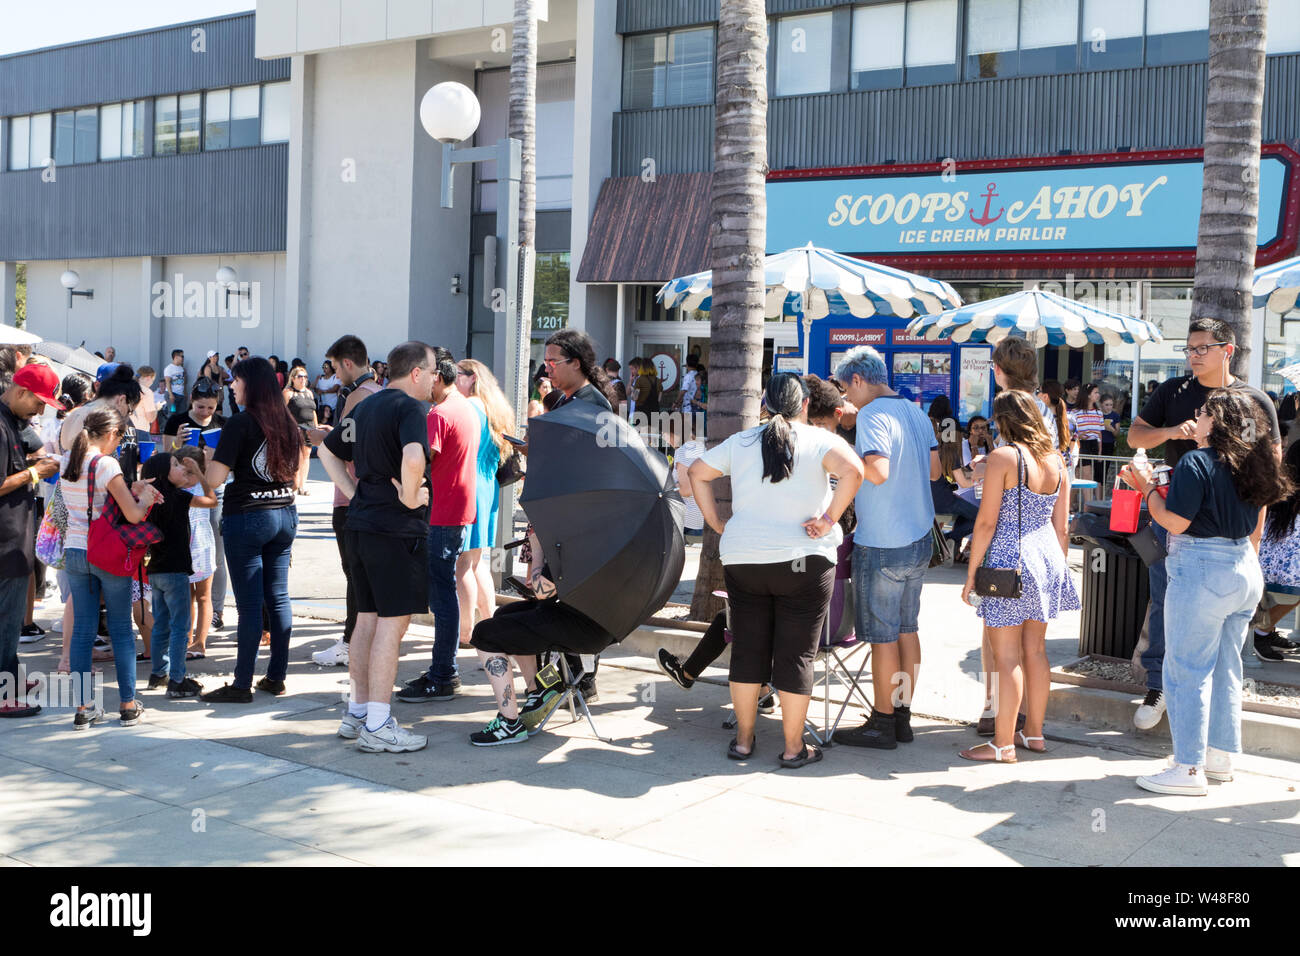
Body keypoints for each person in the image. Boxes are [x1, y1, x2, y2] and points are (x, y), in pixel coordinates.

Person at [688, 373, 864, 766]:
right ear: (805, 405)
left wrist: (717, 523)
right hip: (805, 561)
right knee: (796, 655)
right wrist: (829, 519)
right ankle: (793, 747)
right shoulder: (821, 440)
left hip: (745, 559)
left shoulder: (740, 442)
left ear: (764, 404)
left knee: (747, 650)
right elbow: (854, 471)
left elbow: (696, 473)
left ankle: (745, 741)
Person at [1123, 390, 1291, 794]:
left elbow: (1175, 523)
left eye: (1201, 415)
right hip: (1241, 567)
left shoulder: (1197, 461)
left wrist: (1146, 488)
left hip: (1202, 567)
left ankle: (1188, 768)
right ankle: (1217, 758)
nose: (1195, 419)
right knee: (1226, 668)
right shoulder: (1251, 461)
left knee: (1186, 671)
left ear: (1214, 422)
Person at [1126, 317, 1281, 730]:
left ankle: (1199, 734)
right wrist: (1174, 432)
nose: (1193, 356)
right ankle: (1160, 687)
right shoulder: (1172, 391)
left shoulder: (1254, 400)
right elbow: (1135, 437)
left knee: (1224, 642)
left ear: (1226, 350)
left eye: (1202, 348)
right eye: (1189, 349)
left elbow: (1268, 474)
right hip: (1175, 517)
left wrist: (1255, 542)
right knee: (1163, 603)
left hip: (1232, 528)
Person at [321, 341, 434, 752]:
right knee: (392, 624)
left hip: (362, 525)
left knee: (366, 621)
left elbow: (326, 451)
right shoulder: (409, 407)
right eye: (433, 371)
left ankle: (359, 712)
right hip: (393, 529)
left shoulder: (366, 405)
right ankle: (379, 723)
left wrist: (354, 492)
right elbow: (413, 455)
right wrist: (407, 496)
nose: (436, 379)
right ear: (417, 372)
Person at [958, 391, 1079, 762]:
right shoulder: (1056, 460)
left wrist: (972, 573)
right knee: (1036, 651)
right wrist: (1057, 567)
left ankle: (1002, 743)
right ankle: (1035, 733)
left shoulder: (1004, 457)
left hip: (1009, 558)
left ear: (1005, 420)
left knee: (1006, 654)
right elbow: (1062, 527)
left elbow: (987, 521)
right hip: (1046, 558)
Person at [832, 345, 940, 750]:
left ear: (858, 380)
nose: (846, 399)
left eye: (846, 389)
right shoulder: (914, 410)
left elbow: (876, 471)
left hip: (882, 540)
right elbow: (934, 470)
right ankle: (902, 716)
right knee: (907, 630)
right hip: (918, 537)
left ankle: (881, 721)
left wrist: (844, 462)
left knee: (882, 637)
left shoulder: (874, 415)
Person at [200, 357, 301, 704]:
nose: (231, 386)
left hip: (248, 516)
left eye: (236, 381)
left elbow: (213, 481)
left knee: (248, 605)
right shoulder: (287, 420)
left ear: (251, 385)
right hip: (284, 513)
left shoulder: (240, 424)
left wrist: (206, 458)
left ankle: (242, 683)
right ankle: (276, 677)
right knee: (278, 598)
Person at [63, 407, 164, 728]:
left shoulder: (68, 459)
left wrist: (129, 488)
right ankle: (128, 704)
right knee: (121, 629)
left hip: (75, 551)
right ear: (110, 434)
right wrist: (145, 496)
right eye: (119, 439)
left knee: (82, 631)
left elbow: (92, 499)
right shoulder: (107, 464)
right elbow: (133, 515)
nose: (119, 446)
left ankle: (83, 708)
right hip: (106, 553)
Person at [536, 329, 618, 699]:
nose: (548, 368)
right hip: (564, 516)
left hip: (584, 521)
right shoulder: (567, 401)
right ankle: (568, 675)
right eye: (546, 361)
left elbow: (593, 463)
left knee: (579, 601)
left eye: (554, 362)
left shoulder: (593, 405)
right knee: (560, 597)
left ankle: (583, 678)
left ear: (577, 363)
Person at [395, 347, 479, 705]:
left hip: (442, 512)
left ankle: (444, 674)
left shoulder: (439, 415)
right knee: (446, 592)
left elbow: (421, 461)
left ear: (440, 378)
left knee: (442, 596)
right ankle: (444, 670)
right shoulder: (467, 407)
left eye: (430, 378)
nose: (425, 384)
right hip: (458, 510)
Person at [309, 336, 382, 668]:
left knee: (354, 573)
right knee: (365, 573)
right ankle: (363, 638)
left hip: (350, 495)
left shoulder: (357, 396)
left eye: (336, 368)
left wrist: (322, 437)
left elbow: (344, 447)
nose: (335, 375)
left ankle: (350, 642)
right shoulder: (380, 393)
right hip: (373, 495)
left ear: (349, 363)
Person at [0, 365, 61, 717]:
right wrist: (35, 472)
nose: (41, 412)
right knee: (5, 620)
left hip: (14, 536)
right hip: (4, 541)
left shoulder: (13, 422)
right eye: (39, 404)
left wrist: (33, 462)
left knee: (8, 620)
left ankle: (11, 676)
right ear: (21, 391)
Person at [141, 453, 217, 698]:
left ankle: (158, 674)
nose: (181, 468)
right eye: (175, 465)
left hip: (155, 570)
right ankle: (177, 679)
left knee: (162, 623)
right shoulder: (180, 497)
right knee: (180, 626)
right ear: (164, 474)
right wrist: (199, 472)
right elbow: (211, 500)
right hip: (176, 571)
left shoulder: (148, 499)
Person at [162, 381, 229, 634]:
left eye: (210, 407)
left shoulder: (222, 424)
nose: (205, 412)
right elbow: (165, 457)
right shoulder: (176, 421)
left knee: (215, 552)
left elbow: (229, 460)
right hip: (183, 490)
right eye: (200, 406)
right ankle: (186, 612)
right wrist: (176, 444)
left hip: (215, 488)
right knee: (186, 547)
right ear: (191, 400)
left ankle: (216, 610)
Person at [454, 359, 511, 652]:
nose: (452, 381)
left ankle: (466, 631)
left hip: (470, 484)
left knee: (463, 564)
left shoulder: (468, 408)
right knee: (478, 562)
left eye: (456, 376)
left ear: (471, 377)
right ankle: (489, 625)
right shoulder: (494, 408)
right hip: (488, 486)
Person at [1251, 440, 1300, 656]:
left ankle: (1265, 631)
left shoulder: (1279, 489)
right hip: (1285, 576)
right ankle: (1261, 632)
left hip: (1263, 565)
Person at [283, 365, 317, 494]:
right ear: (293, 378)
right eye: (300, 377)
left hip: (309, 427)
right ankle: (295, 483)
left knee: (306, 455)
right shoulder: (288, 393)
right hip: (295, 428)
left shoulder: (309, 392)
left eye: (305, 377)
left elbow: (313, 411)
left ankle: (303, 485)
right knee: (296, 457)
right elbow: (282, 412)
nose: (303, 379)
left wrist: (316, 426)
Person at [131, 366, 159, 435]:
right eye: (152, 381)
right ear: (148, 378)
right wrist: (156, 408)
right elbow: (150, 418)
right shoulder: (146, 392)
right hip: (140, 430)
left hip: (125, 430)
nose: (151, 384)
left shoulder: (127, 387)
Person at [162, 349, 187, 418]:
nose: (183, 358)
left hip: (181, 395)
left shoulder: (181, 368)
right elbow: (167, 382)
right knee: (172, 413)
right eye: (181, 356)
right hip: (173, 394)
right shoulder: (169, 368)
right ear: (176, 357)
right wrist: (171, 395)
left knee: (182, 414)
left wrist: (185, 392)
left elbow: (184, 382)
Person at [316, 360, 341, 425]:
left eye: (326, 367)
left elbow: (335, 388)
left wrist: (323, 391)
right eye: (323, 367)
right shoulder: (321, 378)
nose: (324, 368)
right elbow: (315, 388)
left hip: (333, 407)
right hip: (322, 407)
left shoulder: (335, 377)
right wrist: (317, 390)